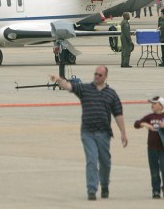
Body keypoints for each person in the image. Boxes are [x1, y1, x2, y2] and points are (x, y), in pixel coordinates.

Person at [50, 66, 128, 201]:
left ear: (105, 77)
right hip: (88, 133)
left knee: (105, 162)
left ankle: (105, 185)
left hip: (104, 133)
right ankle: (91, 189)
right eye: (95, 74)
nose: (96, 76)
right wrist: (58, 80)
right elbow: (69, 86)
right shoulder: (85, 89)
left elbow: (118, 114)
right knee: (91, 160)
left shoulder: (111, 94)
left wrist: (123, 133)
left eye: (100, 75)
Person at [134, 96, 164, 199]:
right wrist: (144, 124)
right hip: (151, 148)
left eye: (154, 103)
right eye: (152, 103)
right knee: (154, 170)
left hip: (162, 148)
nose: (152, 105)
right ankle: (156, 190)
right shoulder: (150, 117)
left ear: (161, 106)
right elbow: (136, 124)